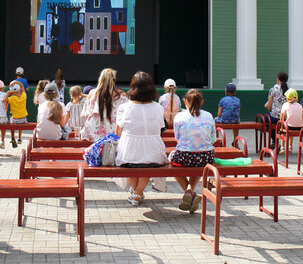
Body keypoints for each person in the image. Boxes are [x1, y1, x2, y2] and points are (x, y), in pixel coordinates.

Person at [115, 72, 166, 205]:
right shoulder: (159, 108)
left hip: (128, 151)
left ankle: (136, 192)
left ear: (133, 87)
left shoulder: (124, 107)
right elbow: (160, 128)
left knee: (130, 164)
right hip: (154, 151)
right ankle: (138, 192)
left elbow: (117, 133)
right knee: (147, 163)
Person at [169, 88, 215, 213]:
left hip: (185, 156)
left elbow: (177, 138)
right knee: (198, 161)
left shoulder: (179, 116)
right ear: (202, 102)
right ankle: (190, 192)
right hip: (206, 157)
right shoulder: (209, 115)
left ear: (185, 101)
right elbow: (213, 138)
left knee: (171, 163)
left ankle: (190, 192)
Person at [81, 68, 128, 141]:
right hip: (114, 135)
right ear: (113, 80)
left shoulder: (92, 94)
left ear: (100, 79)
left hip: (93, 134)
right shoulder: (122, 98)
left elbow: (86, 115)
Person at [4, 80, 29, 148]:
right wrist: (15, 82)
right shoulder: (24, 96)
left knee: (12, 122)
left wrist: (8, 93)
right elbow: (22, 86)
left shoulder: (11, 98)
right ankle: (19, 138)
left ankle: (12, 138)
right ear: (20, 90)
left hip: (14, 120)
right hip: (23, 120)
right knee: (20, 124)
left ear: (12, 91)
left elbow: (4, 100)